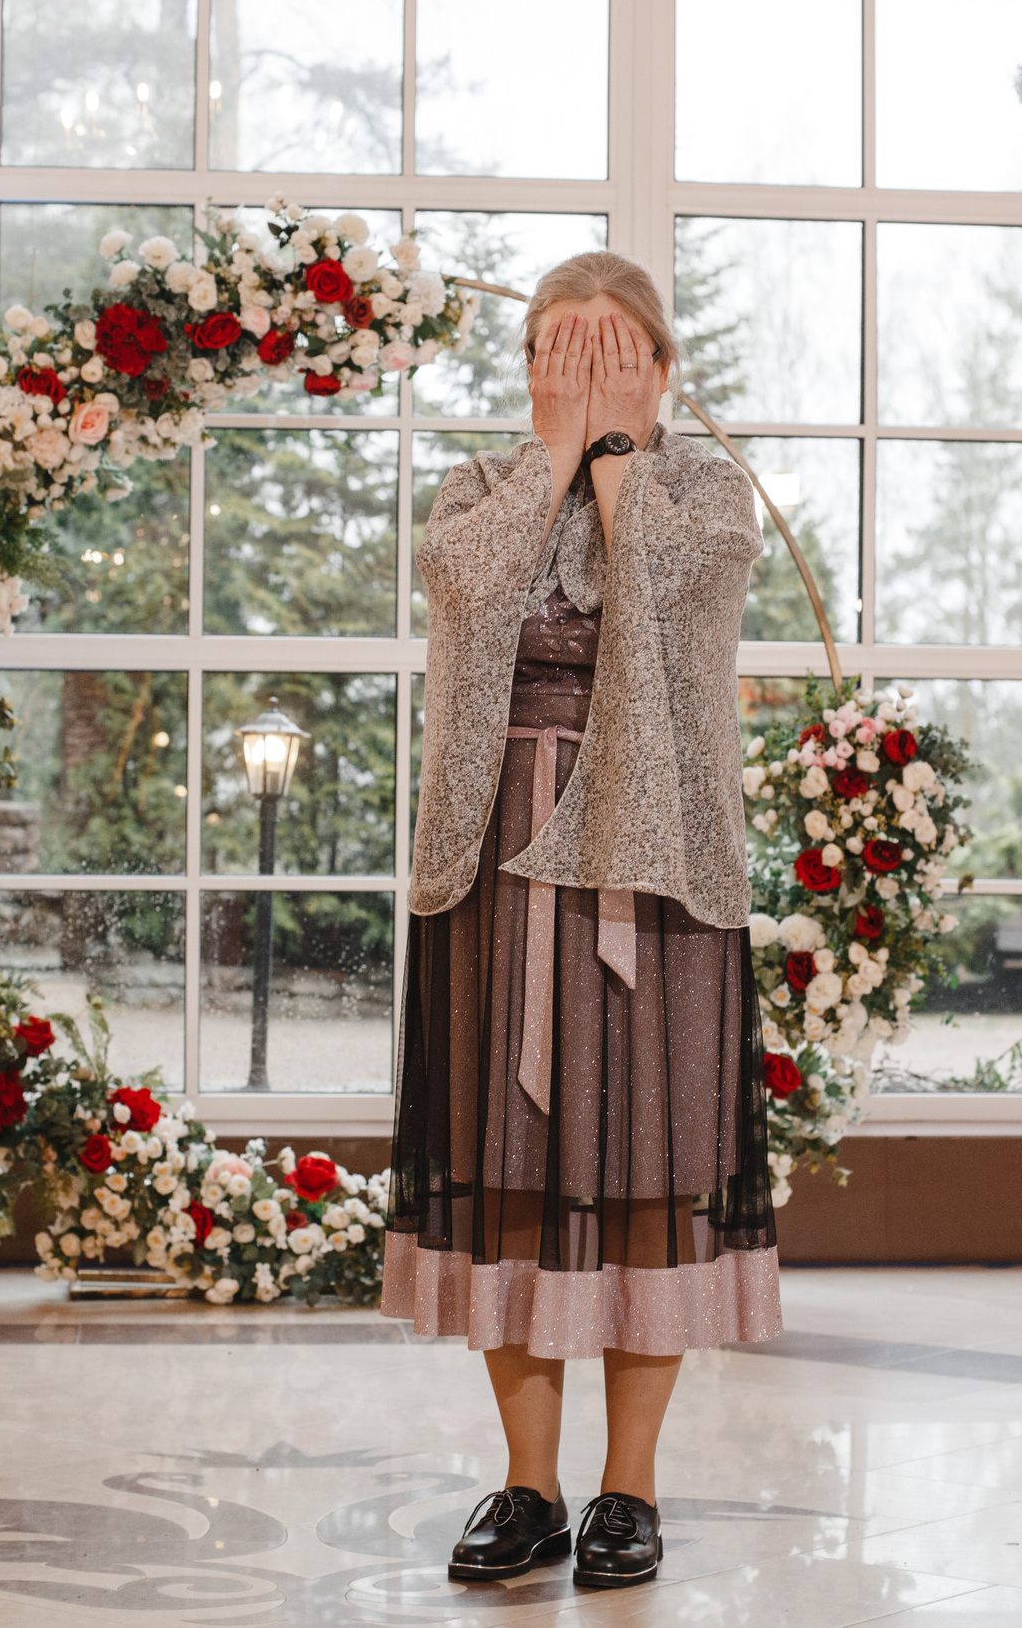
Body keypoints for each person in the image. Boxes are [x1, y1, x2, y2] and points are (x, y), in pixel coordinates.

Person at [382, 251, 782, 1591]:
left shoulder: (708, 493)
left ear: (665, 372)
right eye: (566, 350)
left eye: (617, 352)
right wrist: (553, 464)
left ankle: (631, 1488)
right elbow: (466, 600)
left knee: (642, 1175)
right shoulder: (481, 490)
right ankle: (527, 1485)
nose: (590, 373)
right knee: (513, 1169)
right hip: (502, 866)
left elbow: (675, 607)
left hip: (654, 879)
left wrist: (613, 462)